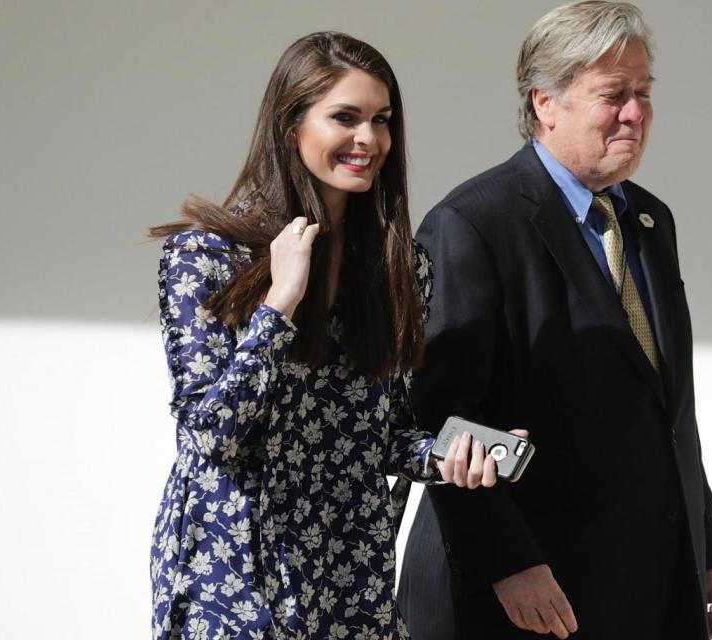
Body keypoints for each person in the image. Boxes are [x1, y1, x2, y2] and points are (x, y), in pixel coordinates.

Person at [149, 32, 510, 640]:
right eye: (345, 117)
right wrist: (279, 303)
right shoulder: (204, 258)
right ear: (291, 126)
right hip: (235, 568)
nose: (369, 139)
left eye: (382, 120)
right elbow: (210, 435)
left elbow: (378, 438)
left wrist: (454, 458)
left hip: (350, 568)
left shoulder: (400, 268)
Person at [397, 3, 712, 640]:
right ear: (545, 103)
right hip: (525, 597)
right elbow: (442, 422)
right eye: (614, 95)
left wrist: (705, 549)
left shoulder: (649, 222)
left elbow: (668, 412)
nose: (635, 112)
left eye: (643, 93)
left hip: (648, 583)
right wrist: (510, 563)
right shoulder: (473, 224)